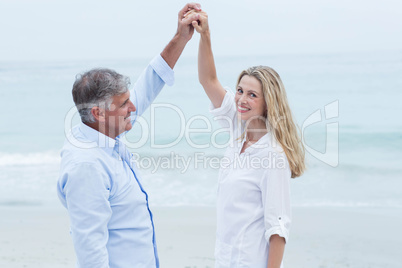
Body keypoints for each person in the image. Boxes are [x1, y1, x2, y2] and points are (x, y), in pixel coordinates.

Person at [57, 3, 202, 267]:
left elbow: (150, 82)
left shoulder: (102, 132)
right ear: (99, 114)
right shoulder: (86, 166)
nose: (133, 108)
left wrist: (181, 37)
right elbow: (90, 251)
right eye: (124, 104)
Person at [188, 10, 306, 268]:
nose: (241, 99)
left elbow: (278, 229)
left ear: (267, 103)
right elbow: (208, 79)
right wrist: (205, 34)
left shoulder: (273, 156)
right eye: (240, 90)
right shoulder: (237, 128)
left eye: (252, 95)